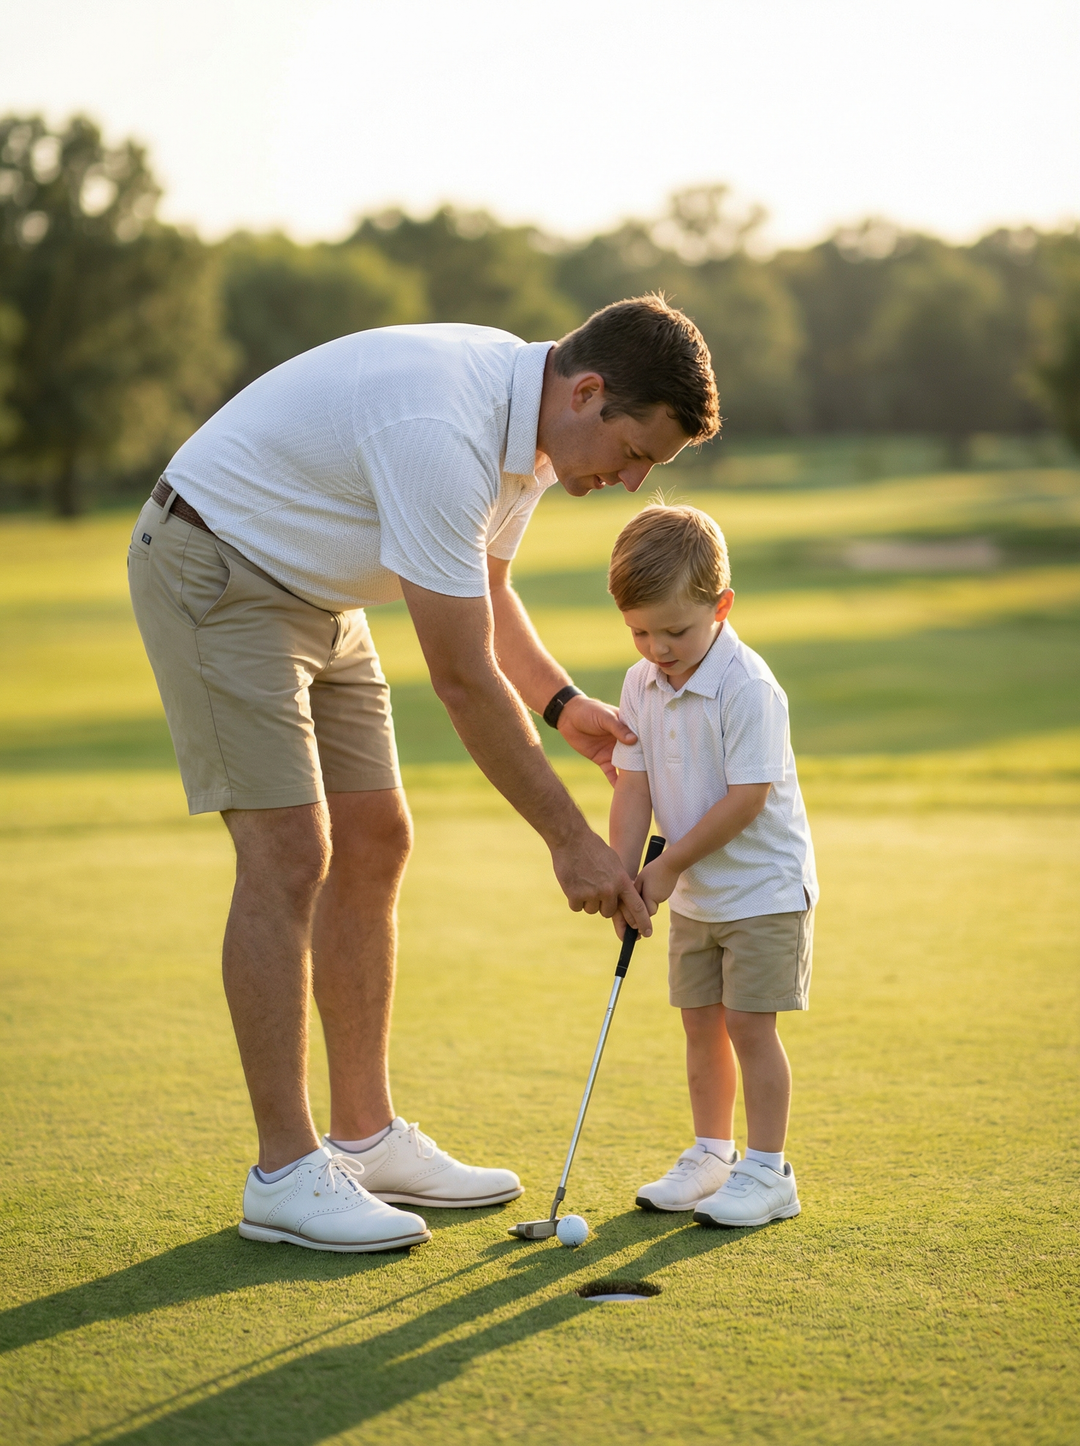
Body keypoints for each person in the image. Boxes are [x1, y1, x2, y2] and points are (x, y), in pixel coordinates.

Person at [128, 296, 720, 1252]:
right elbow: (460, 677)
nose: (633, 482)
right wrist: (570, 842)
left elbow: (484, 590)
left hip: (320, 589)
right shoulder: (444, 428)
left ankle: (365, 1136)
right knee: (289, 850)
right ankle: (284, 1170)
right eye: (638, 453)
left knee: (378, 837)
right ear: (589, 391)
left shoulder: (531, 439)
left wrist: (567, 710)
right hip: (217, 567)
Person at [606, 504, 818, 1227]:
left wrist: (666, 869)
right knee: (701, 1025)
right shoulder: (640, 682)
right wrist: (622, 871)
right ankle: (711, 1154)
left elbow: (745, 800)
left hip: (762, 891)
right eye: (640, 631)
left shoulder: (746, 686)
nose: (657, 648)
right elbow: (632, 784)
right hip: (696, 895)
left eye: (675, 631)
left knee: (750, 1029)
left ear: (720, 607)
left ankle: (768, 1172)